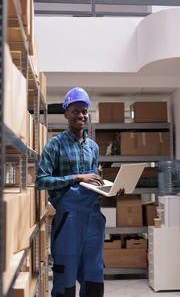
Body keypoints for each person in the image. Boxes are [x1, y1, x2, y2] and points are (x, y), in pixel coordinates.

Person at [35, 87, 106, 297]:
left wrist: (108, 190)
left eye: (84, 111)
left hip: (93, 221)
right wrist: (76, 177)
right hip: (68, 222)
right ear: (66, 113)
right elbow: (41, 181)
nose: (81, 115)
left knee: (94, 276)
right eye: (76, 111)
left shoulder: (93, 147)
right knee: (65, 278)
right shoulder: (54, 145)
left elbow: (92, 182)